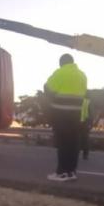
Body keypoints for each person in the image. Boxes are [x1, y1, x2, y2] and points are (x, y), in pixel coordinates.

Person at [43, 54, 88, 182]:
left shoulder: (60, 72)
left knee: (63, 144)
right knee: (73, 144)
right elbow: (84, 94)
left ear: (61, 63)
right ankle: (71, 172)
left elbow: (48, 89)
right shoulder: (82, 75)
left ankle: (61, 173)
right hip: (77, 114)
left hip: (61, 113)